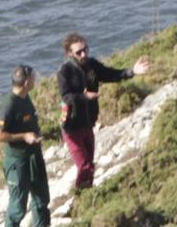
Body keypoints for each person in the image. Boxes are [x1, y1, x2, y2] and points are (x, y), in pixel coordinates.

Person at [57, 32, 150, 190]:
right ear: (69, 53)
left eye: (86, 49)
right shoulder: (65, 71)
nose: (84, 54)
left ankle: (88, 192)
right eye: (79, 52)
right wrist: (84, 96)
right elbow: (66, 97)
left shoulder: (92, 65)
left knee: (90, 165)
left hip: (88, 123)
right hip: (71, 127)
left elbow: (111, 74)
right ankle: (81, 196)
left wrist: (132, 71)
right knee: (84, 165)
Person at [0, 64, 51, 227]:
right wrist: (23, 136)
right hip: (17, 162)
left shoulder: (26, 98)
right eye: (33, 78)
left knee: (41, 198)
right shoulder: (9, 104)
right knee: (17, 207)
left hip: (34, 157)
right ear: (26, 82)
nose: (36, 80)